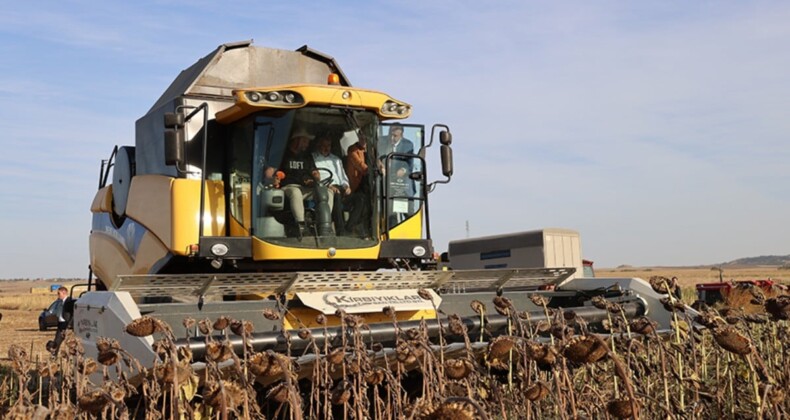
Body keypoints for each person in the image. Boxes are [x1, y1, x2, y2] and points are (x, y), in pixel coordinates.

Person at [278, 127, 332, 237]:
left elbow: (315, 172)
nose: (307, 144)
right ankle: (301, 226)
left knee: (328, 192)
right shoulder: (283, 154)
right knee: (295, 192)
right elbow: (273, 172)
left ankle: (323, 224)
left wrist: (315, 177)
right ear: (298, 140)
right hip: (289, 186)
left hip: (307, 188)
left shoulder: (307, 156)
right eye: (305, 141)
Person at [312, 135, 354, 235]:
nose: (326, 148)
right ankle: (340, 230)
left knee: (361, 199)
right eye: (324, 145)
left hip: (341, 187)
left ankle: (349, 228)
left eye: (329, 145)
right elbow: (315, 177)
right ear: (319, 145)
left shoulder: (337, 160)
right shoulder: (314, 158)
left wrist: (346, 186)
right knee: (337, 195)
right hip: (326, 187)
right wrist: (329, 186)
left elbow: (343, 177)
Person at [46, 286, 72, 355]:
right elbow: (56, 312)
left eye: (59, 293)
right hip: (60, 325)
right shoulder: (59, 302)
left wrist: (69, 325)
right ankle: (54, 357)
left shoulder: (70, 302)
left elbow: (72, 315)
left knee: (70, 343)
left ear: (64, 293)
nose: (58, 295)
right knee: (56, 342)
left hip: (67, 325)